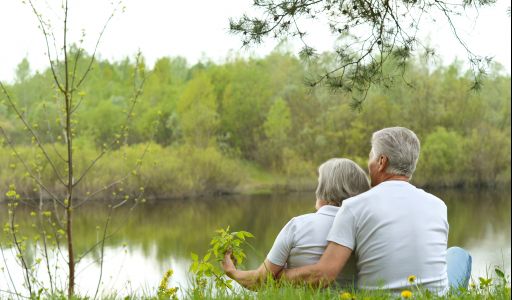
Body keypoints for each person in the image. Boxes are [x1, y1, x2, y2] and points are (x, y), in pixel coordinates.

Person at [277, 127, 472, 293]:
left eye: (371, 155)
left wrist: (278, 275)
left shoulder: (354, 206)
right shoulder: (438, 205)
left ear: (382, 162)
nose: (368, 162)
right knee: (458, 254)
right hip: (430, 296)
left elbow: (324, 273)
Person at [221, 158, 370, 289]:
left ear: (325, 189)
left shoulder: (298, 226)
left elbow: (260, 281)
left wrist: (232, 272)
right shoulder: (367, 229)